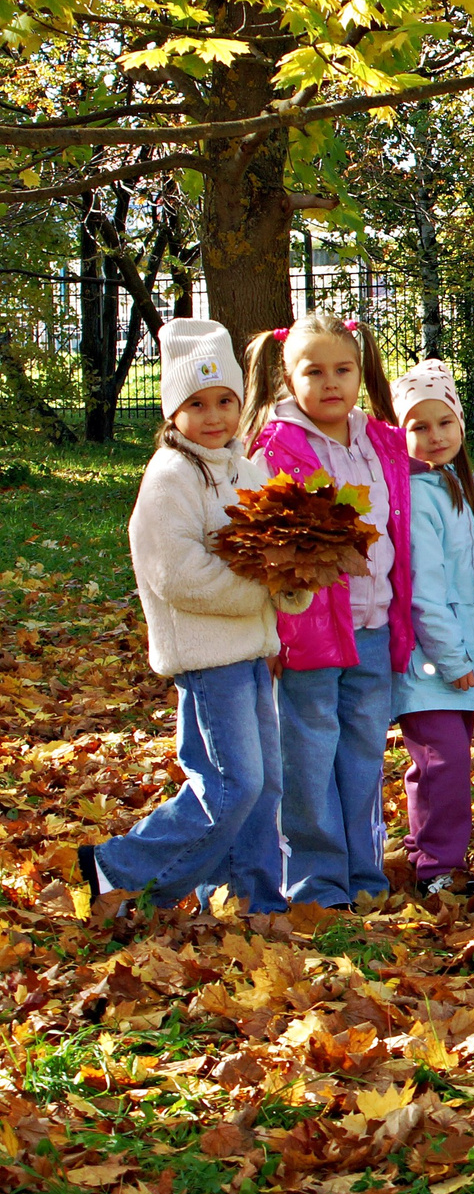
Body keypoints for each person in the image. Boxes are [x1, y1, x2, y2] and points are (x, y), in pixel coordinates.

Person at [81, 321, 305, 911]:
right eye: (197, 404)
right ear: (173, 411)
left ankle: (249, 898)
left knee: (264, 788)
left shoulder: (246, 470)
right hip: (208, 660)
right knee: (232, 785)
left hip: (253, 652)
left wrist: (298, 574)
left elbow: (275, 550)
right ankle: (118, 871)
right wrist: (261, 588)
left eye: (225, 401)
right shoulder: (169, 478)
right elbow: (177, 575)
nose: (214, 416)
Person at [243, 314, 415, 907]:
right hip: (309, 632)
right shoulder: (275, 447)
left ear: (360, 372)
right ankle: (316, 881)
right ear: (289, 378)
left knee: (364, 750)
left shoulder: (382, 441)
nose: (331, 383)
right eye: (313, 371)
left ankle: (364, 873)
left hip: (374, 623)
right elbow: (264, 547)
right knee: (309, 754)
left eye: (343, 369)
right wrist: (273, 632)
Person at [390, 361, 474, 897]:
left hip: (456, 657)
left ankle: (427, 850)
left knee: (445, 763)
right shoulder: (415, 496)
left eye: (444, 424)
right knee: (443, 762)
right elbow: (424, 591)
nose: (434, 437)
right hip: (431, 663)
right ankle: (437, 868)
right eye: (418, 426)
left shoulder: (453, 483)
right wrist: (455, 662)